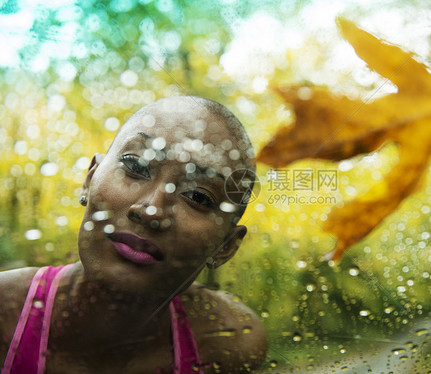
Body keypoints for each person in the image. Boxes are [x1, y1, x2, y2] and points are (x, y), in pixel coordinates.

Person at [0, 96, 267, 373]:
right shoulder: (4, 312)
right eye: (136, 166)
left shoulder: (231, 342)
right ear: (90, 179)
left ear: (225, 245)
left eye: (198, 196)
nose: (152, 210)